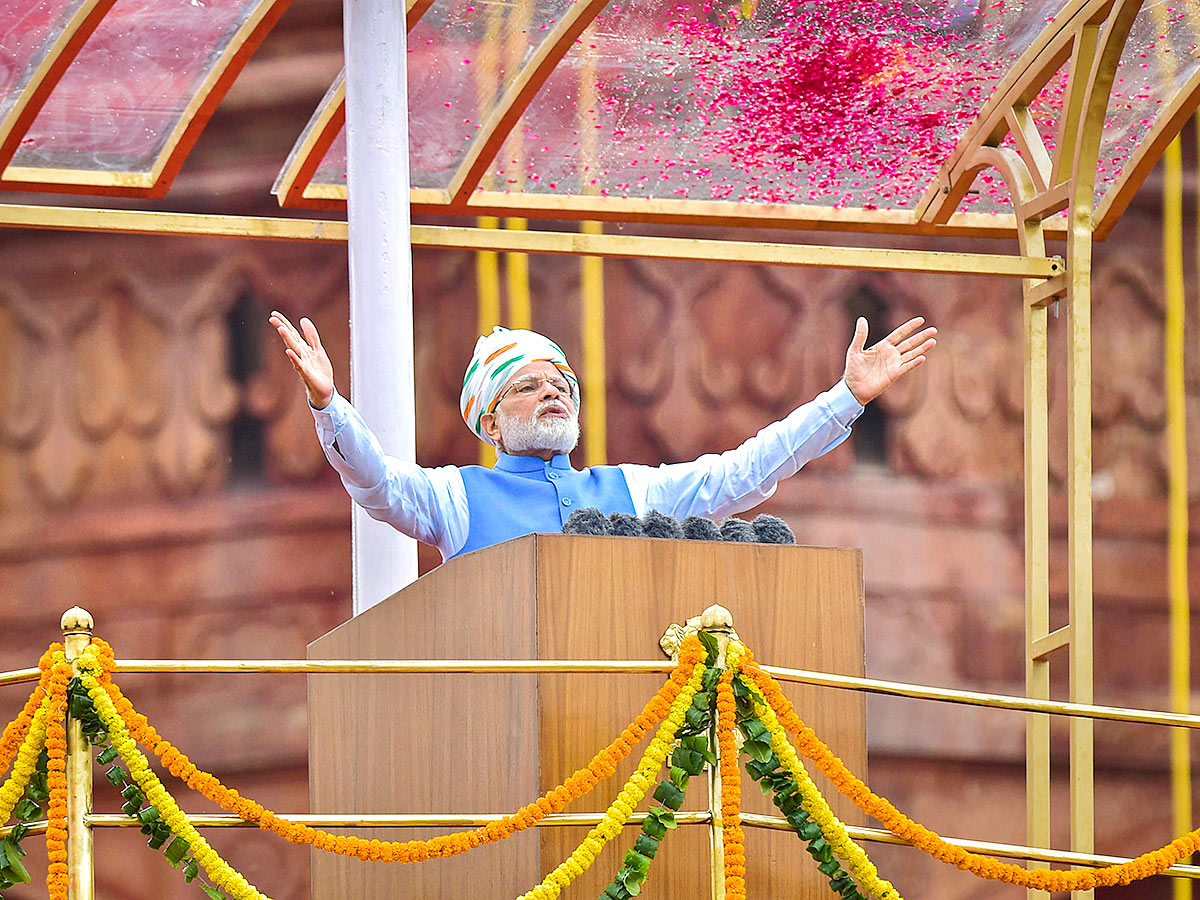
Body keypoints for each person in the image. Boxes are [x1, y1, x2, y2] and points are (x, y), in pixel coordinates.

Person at [269, 312, 936, 561]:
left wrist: (845, 398)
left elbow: (746, 473)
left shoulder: (631, 490)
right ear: (492, 421)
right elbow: (378, 483)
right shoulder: (457, 498)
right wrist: (329, 403)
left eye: (561, 384)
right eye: (529, 387)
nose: (552, 394)